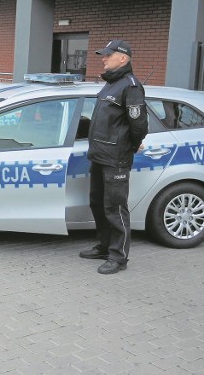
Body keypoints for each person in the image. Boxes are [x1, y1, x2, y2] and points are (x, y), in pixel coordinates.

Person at [80, 40, 148, 274]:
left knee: (115, 208)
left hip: (116, 158)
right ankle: (105, 246)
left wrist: (133, 144)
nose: (103, 58)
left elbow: (138, 123)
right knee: (97, 203)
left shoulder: (130, 86)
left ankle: (118, 258)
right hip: (99, 155)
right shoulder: (111, 84)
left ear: (123, 58)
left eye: (108, 55)